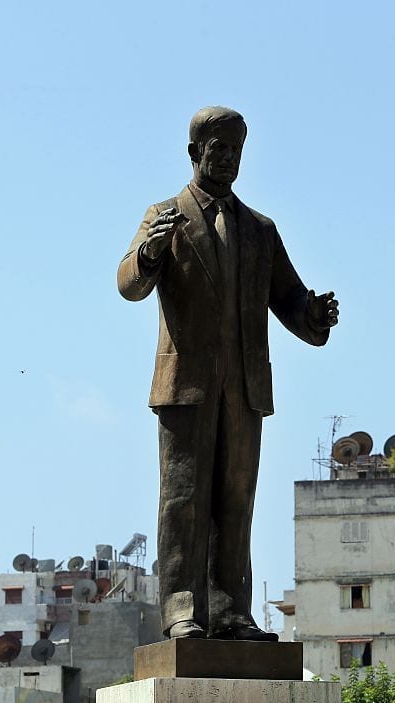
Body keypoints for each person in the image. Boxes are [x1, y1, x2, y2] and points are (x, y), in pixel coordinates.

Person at [117, 106, 339, 641]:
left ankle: (231, 610)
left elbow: (288, 297)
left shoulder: (260, 231)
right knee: (183, 500)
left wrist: (315, 316)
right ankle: (180, 609)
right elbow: (128, 281)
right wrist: (149, 251)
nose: (229, 162)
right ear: (195, 153)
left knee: (236, 501)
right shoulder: (165, 214)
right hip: (186, 387)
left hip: (243, 387)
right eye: (219, 151)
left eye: (237, 153)